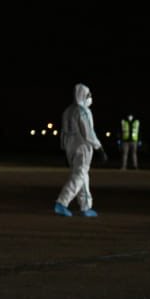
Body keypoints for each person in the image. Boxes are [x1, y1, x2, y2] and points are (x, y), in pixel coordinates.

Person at [54, 83, 103, 217]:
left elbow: (63, 132)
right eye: (89, 95)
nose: (90, 98)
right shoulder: (83, 111)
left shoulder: (67, 111)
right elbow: (88, 132)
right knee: (79, 175)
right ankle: (62, 202)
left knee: (82, 175)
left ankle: (85, 206)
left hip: (70, 148)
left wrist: (64, 148)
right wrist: (99, 147)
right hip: (83, 148)